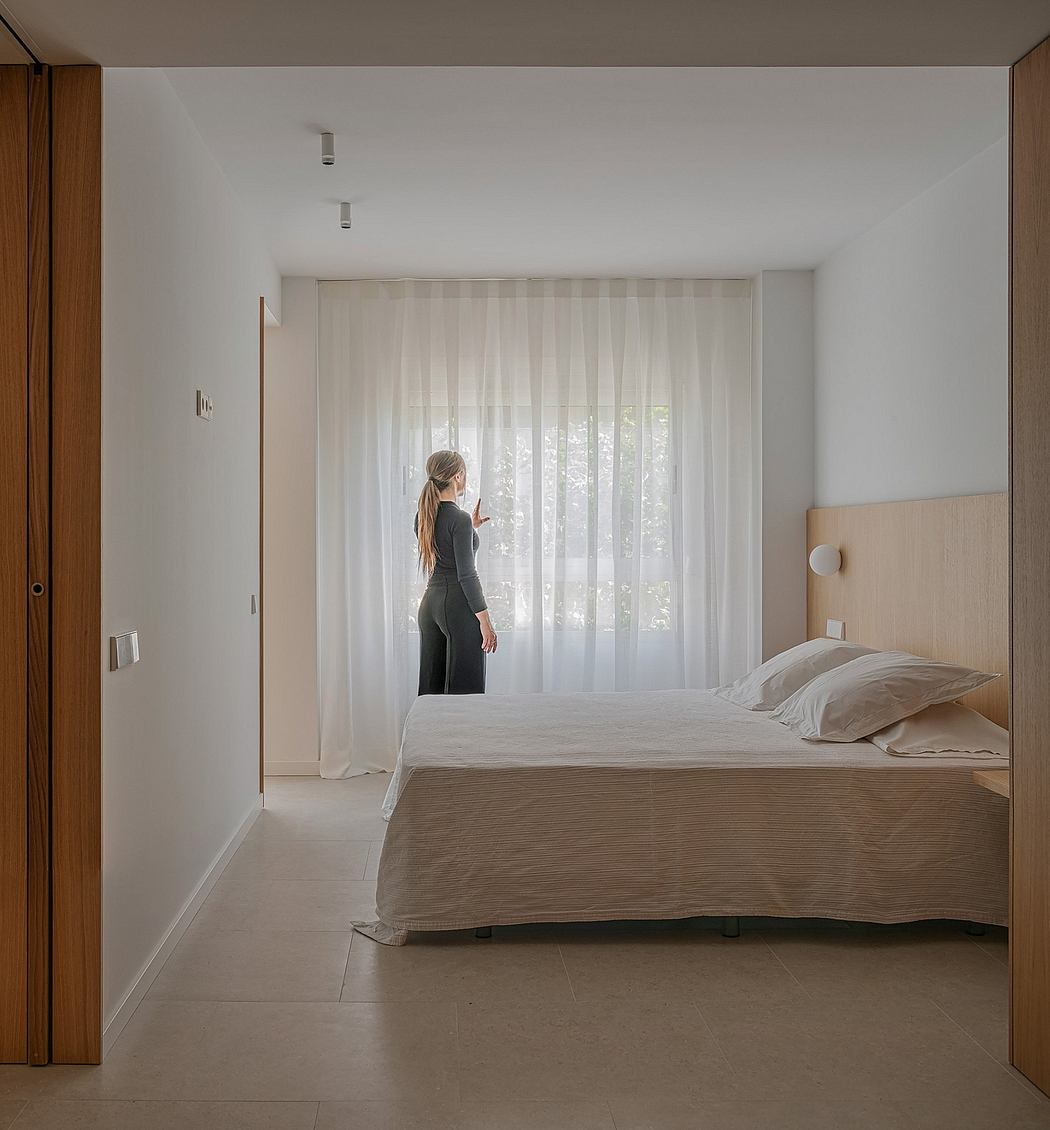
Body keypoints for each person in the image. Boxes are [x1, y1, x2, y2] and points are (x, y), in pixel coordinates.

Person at [415, 450, 497, 695]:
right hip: (458, 606)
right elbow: (467, 574)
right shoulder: (458, 518)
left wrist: (469, 528)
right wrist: (485, 621)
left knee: (432, 691)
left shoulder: (423, 516)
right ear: (458, 476)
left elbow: (443, 549)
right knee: (466, 694)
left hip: (430, 605)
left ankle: (427, 735)